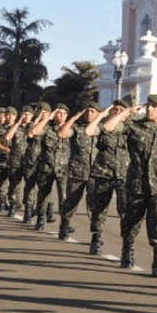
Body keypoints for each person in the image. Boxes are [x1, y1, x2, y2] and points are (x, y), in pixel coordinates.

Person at [100, 94, 157, 277]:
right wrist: (127, 112)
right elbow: (107, 127)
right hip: (137, 183)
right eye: (148, 106)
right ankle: (127, 249)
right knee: (132, 221)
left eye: (154, 107)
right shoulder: (134, 127)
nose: (149, 109)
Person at [84, 98, 131, 255]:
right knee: (99, 210)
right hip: (102, 174)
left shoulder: (133, 129)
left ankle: (127, 246)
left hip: (125, 176)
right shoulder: (103, 127)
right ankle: (96, 238)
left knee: (126, 211)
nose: (118, 112)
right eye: (115, 109)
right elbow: (89, 131)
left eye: (121, 110)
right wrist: (102, 114)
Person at [58, 101, 102, 240]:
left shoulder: (103, 129)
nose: (89, 114)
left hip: (96, 173)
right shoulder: (77, 129)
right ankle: (64, 225)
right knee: (71, 202)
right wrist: (73, 118)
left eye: (93, 111)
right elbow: (62, 133)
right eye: (87, 111)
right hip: (77, 172)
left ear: (98, 114)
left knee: (95, 206)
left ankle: (96, 237)